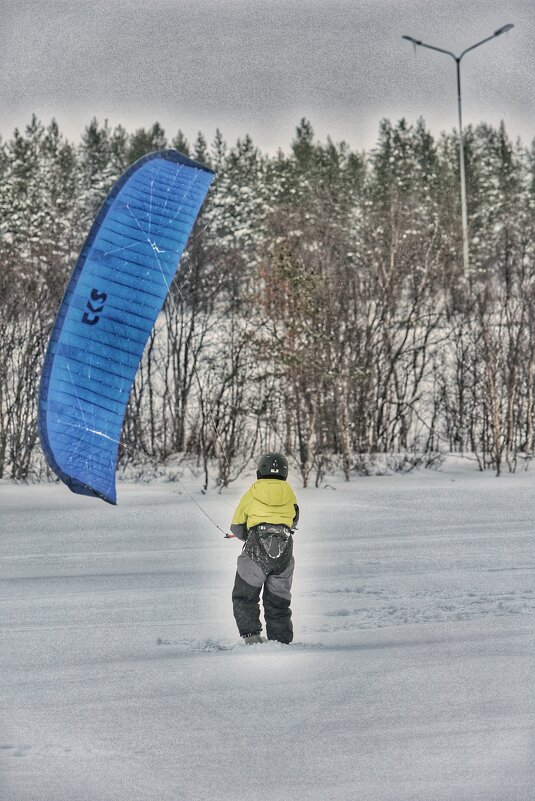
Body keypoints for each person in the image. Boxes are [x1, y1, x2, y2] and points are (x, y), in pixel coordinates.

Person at [228, 452, 299, 645]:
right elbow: (294, 521)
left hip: (255, 550)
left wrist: (247, 537)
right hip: (284, 553)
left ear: (260, 471)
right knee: (278, 601)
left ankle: (252, 639)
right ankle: (282, 642)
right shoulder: (290, 492)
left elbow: (236, 526)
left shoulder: (252, 491)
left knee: (245, 596)